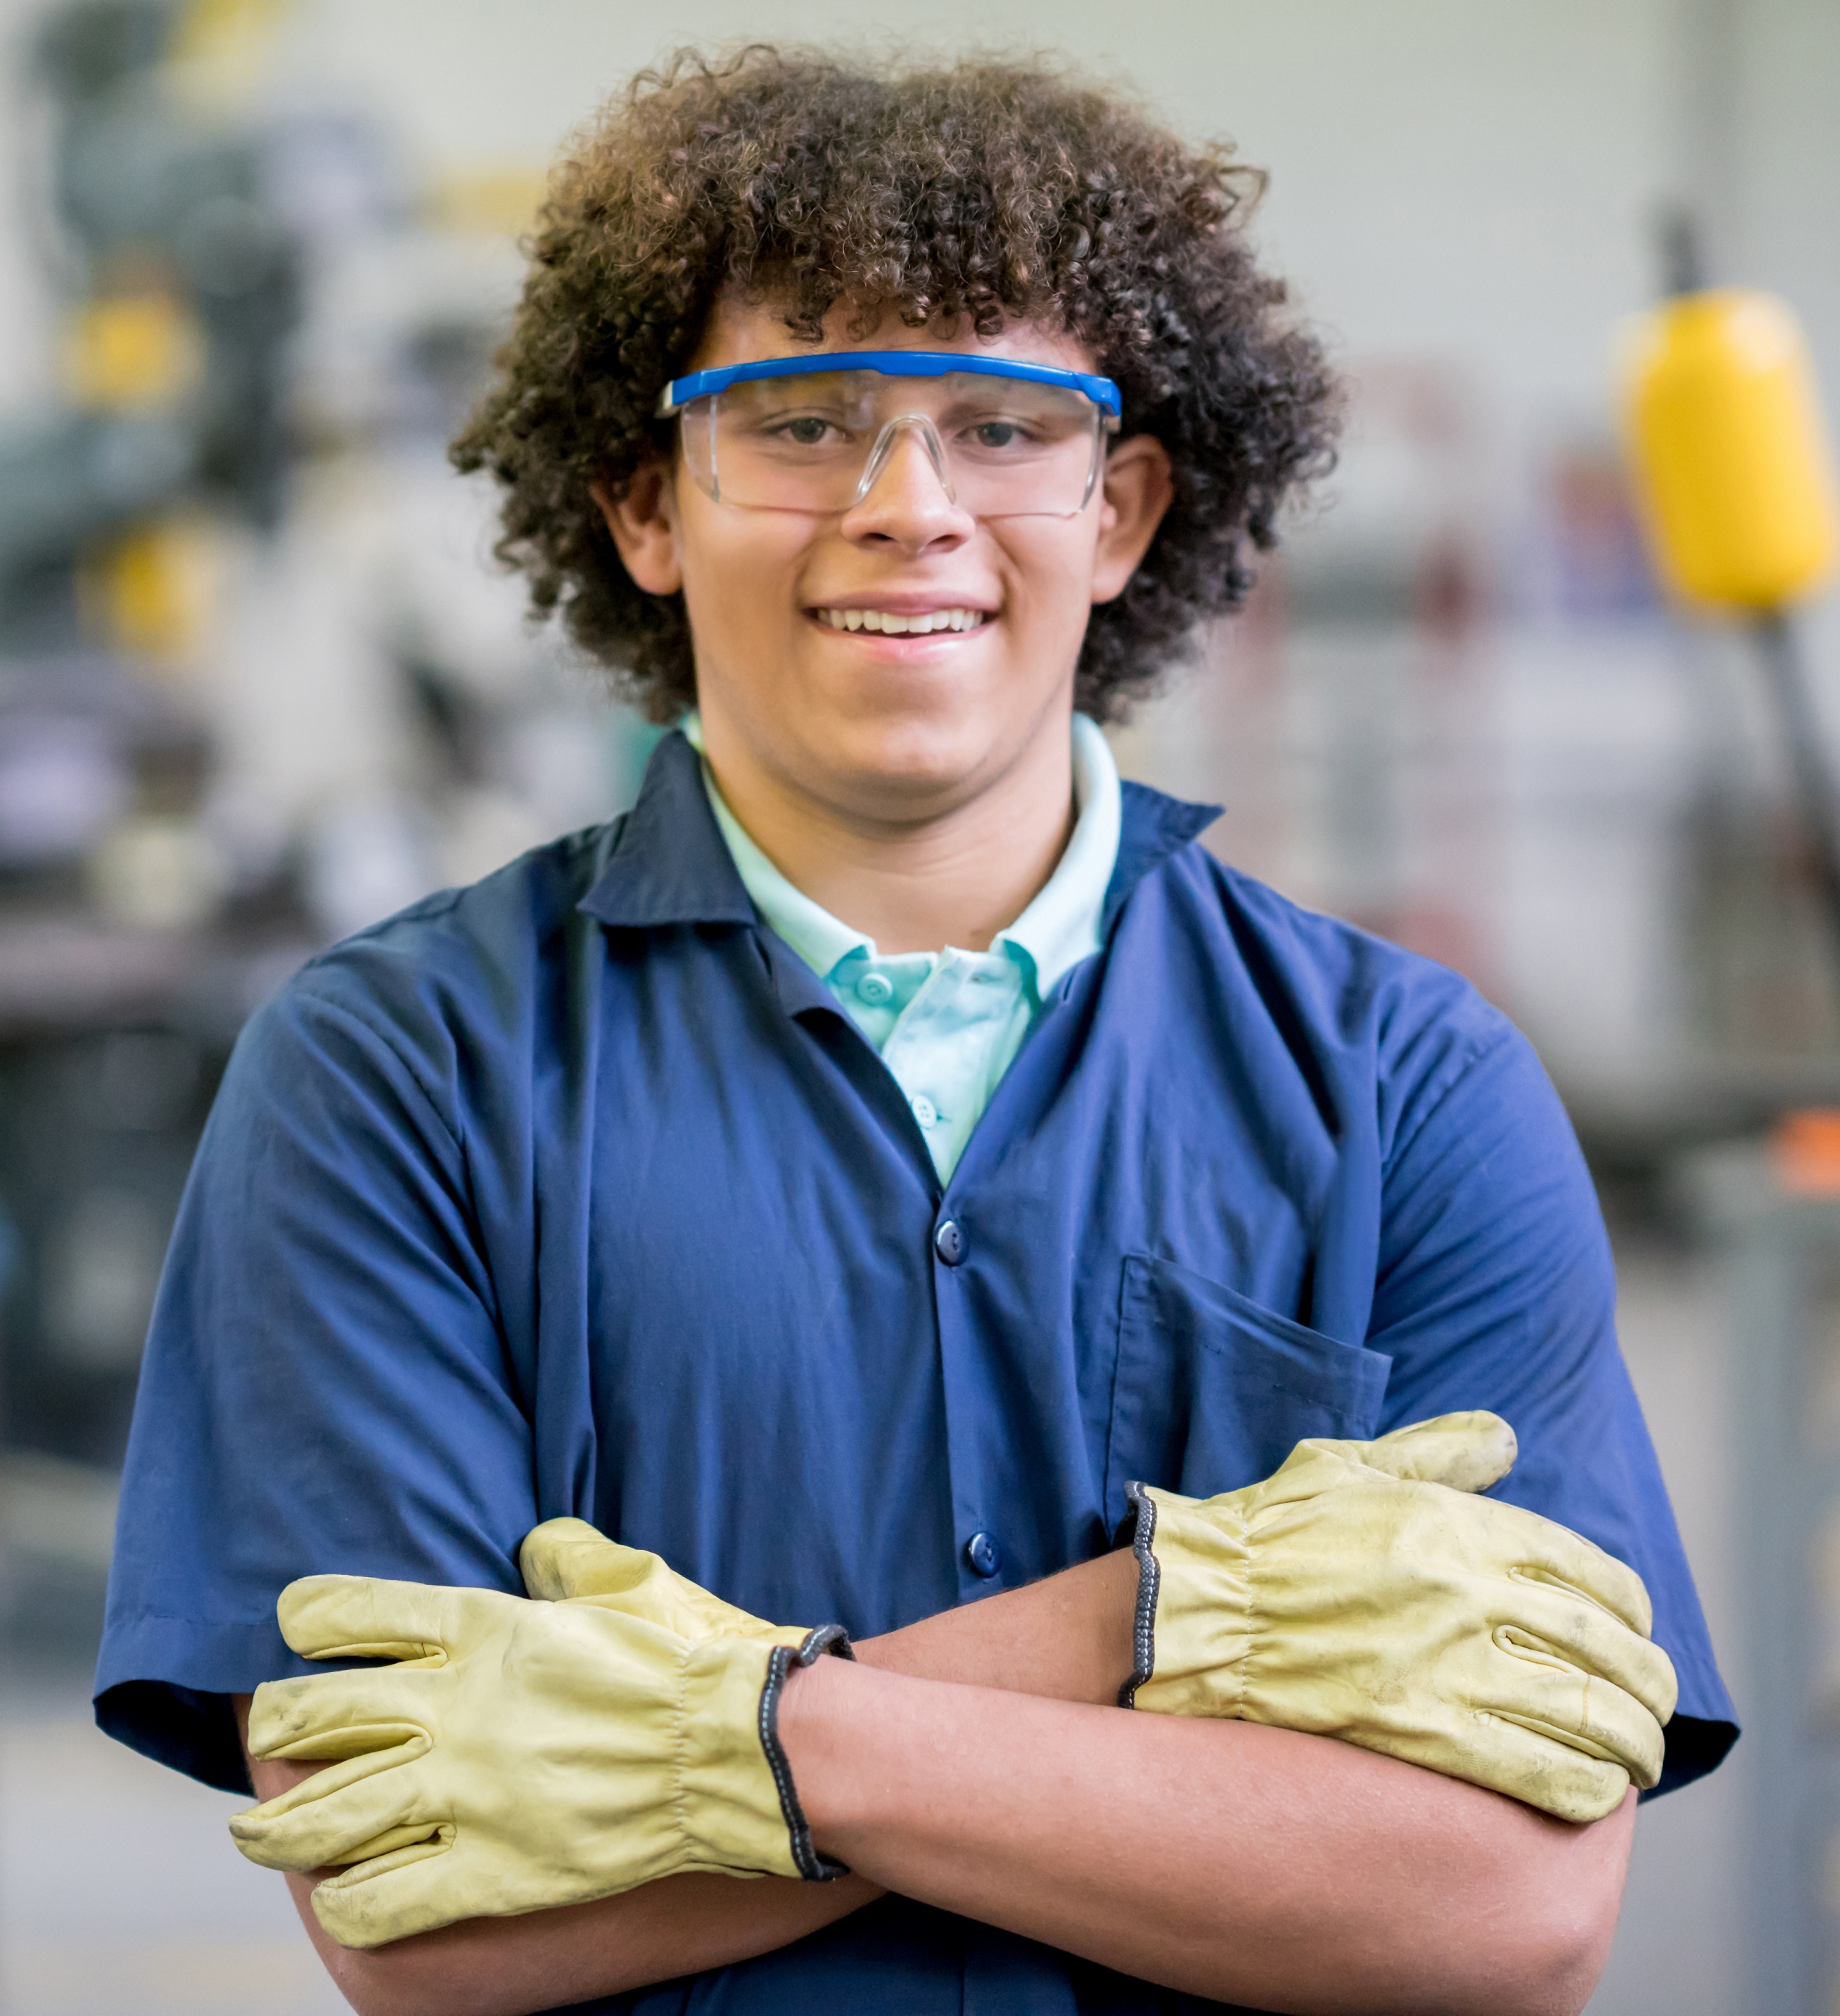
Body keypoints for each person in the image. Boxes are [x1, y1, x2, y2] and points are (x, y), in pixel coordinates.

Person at [96, 48, 1734, 2016]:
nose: (908, 508)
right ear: (644, 500)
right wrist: (1176, 1617)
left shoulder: (1409, 1082)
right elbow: (420, 1906)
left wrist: (727, 1734)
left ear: (1120, 507)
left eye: (1003, 424)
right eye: (798, 423)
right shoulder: (389, 1080)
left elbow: (1506, 1911)